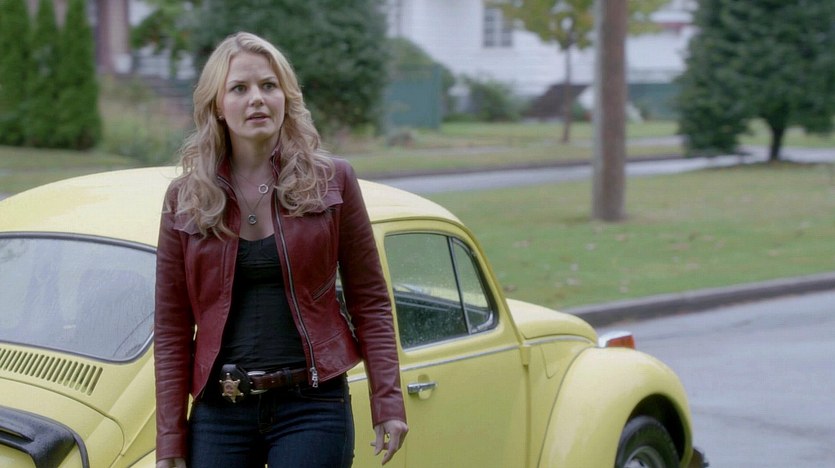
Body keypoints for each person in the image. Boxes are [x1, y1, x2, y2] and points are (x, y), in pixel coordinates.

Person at [154, 32, 408, 468]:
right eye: (239, 88)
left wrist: (387, 400)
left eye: (268, 86)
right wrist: (171, 440)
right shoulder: (185, 198)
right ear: (218, 106)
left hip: (312, 405)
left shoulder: (333, 181)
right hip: (220, 410)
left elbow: (370, 299)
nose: (257, 98)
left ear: (285, 97)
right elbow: (172, 327)